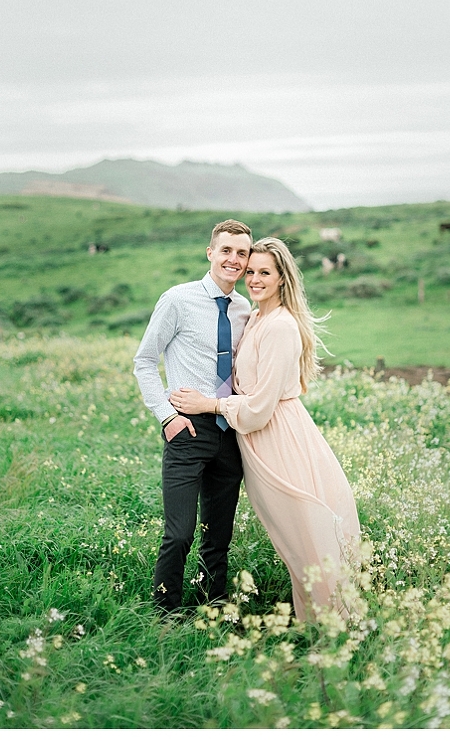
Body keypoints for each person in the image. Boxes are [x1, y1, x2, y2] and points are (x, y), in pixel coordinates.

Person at [168, 237, 361, 623]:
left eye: (264, 273)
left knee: (303, 532)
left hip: (279, 440)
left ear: (282, 279)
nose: (253, 279)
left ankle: (333, 622)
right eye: (251, 271)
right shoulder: (257, 317)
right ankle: (319, 620)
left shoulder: (281, 327)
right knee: (292, 537)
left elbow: (258, 408)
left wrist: (209, 404)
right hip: (260, 441)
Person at [133, 219, 253, 614]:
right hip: (186, 428)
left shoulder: (244, 309)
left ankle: (212, 608)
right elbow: (144, 362)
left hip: (228, 429)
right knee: (180, 532)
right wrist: (167, 416)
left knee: (218, 536)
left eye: (241, 253)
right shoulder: (177, 299)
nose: (233, 259)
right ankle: (165, 614)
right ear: (210, 253)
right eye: (226, 251)